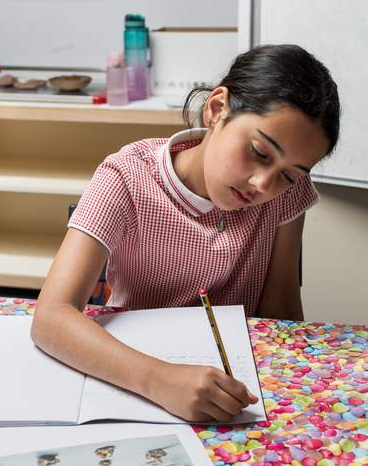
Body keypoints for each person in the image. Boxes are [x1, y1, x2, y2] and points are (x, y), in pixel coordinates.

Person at [32, 44, 340, 422]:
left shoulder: (284, 196)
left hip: (234, 389)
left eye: (290, 175)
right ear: (217, 109)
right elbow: (51, 317)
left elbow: (281, 318)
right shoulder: (127, 176)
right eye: (259, 152)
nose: (263, 184)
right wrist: (159, 381)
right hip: (132, 377)